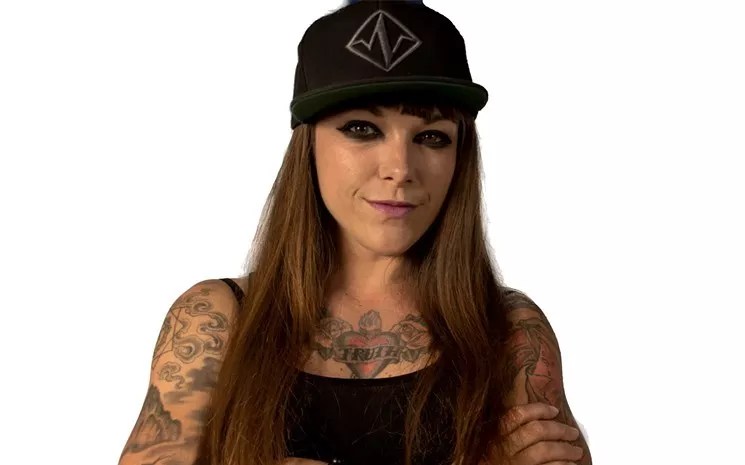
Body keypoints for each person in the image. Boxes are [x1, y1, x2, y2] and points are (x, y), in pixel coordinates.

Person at [118, 1, 592, 464]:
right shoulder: (213, 320)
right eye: (362, 129)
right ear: (308, 145)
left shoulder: (510, 331)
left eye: (431, 137)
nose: (400, 168)